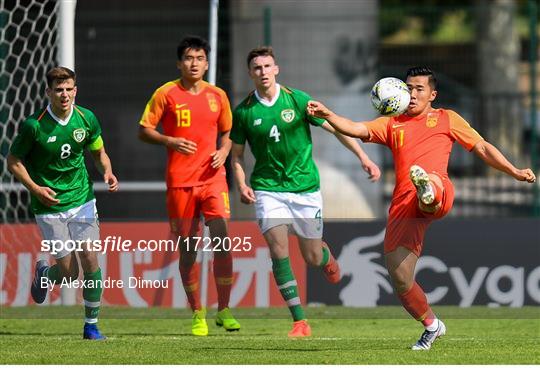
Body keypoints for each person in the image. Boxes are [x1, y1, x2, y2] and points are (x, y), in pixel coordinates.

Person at [307, 66, 537, 350]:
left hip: (438, 189)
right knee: (400, 277)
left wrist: (513, 170)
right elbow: (356, 129)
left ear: (432, 94)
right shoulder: (392, 123)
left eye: (419, 89)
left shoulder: (446, 118)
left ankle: (427, 191)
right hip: (404, 204)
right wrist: (328, 114)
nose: (411, 94)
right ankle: (432, 325)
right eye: (408, 87)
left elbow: (482, 147)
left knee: (429, 182)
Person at [230, 46, 381, 338]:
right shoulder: (244, 112)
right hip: (268, 188)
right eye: (257, 68)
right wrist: (242, 184)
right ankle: (299, 321)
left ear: (277, 69)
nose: (263, 72)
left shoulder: (298, 100)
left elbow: (336, 129)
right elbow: (236, 156)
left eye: (267, 66)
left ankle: (327, 259)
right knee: (278, 250)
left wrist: (364, 158)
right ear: (250, 73)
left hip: (305, 189)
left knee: (311, 256)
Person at [7, 66, 119, 340]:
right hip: (49, 205)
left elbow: (99, 152)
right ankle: (45, 274)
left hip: (82, 199)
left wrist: (107, 171)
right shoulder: (34, 125)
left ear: (75, 90)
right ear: (48, 92)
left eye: (69, 89)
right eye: (59, 89)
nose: (65, 94)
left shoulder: (86, 118)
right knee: (69, 273)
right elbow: (13, 161)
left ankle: (91, 326)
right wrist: (35, 188)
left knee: (91, 259)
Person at [138, 35, 240, 336]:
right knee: (189, 249)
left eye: (199, 59)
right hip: (180, 183)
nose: (194, 64)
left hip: (213, 179)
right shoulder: (166, 93)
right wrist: (168, 140)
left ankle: (223, 309)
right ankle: (198, 312)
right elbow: (144, 130)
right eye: (188, 58)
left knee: (222, 238)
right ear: (179, 63)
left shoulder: (218, 95)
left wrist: (223, 151)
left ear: (207, 64)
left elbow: (228, 131)